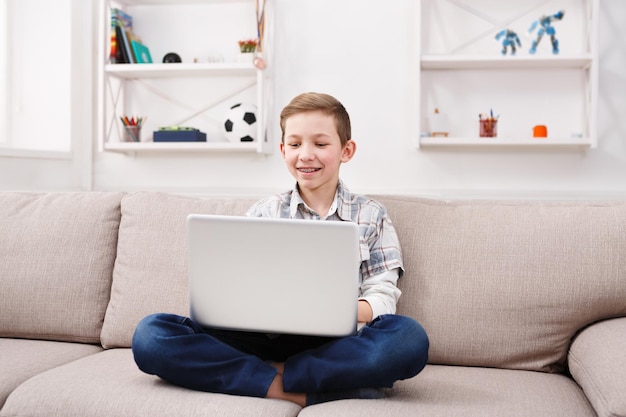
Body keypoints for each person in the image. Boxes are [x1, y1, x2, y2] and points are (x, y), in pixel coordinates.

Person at [131, 92, 429, 407]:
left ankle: (263, 377)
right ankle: (302, 388)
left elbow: (381, 299)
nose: (306, 155)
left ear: (346, 150)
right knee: (151, 336)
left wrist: (328, 310)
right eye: (296, 144)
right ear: (283, 149)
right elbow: (232, 287)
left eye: (321, 144)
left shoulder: (371, 215)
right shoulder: (264, 211)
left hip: (333, 344)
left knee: (408, 339)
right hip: (257, 338)